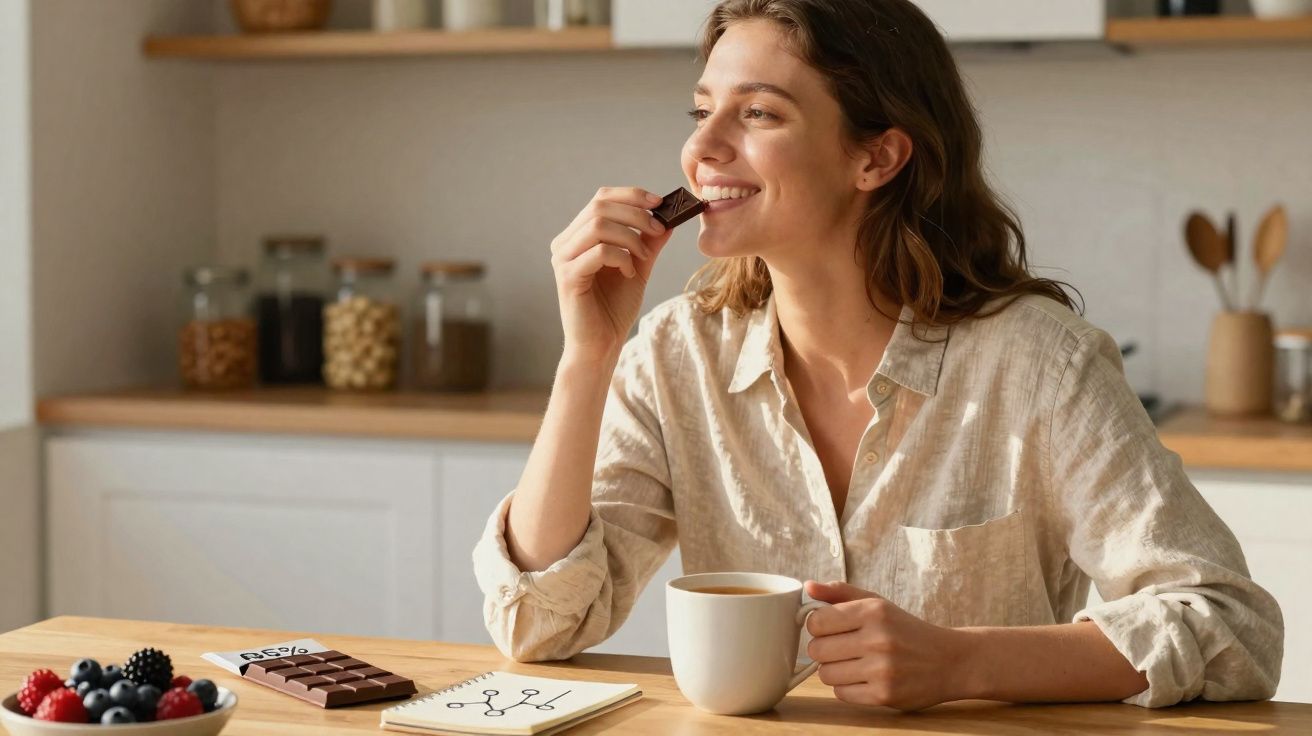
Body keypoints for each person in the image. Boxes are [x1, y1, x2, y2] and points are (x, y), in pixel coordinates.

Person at [473, 0, 1283, 711]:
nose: (703, 151)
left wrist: (963, 661)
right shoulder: (674, 355)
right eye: (700, 113)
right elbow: (539, 623)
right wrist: (590, 354)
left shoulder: (1039, 365)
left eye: (757, 114)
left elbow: (1229, 626)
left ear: (877, 157)